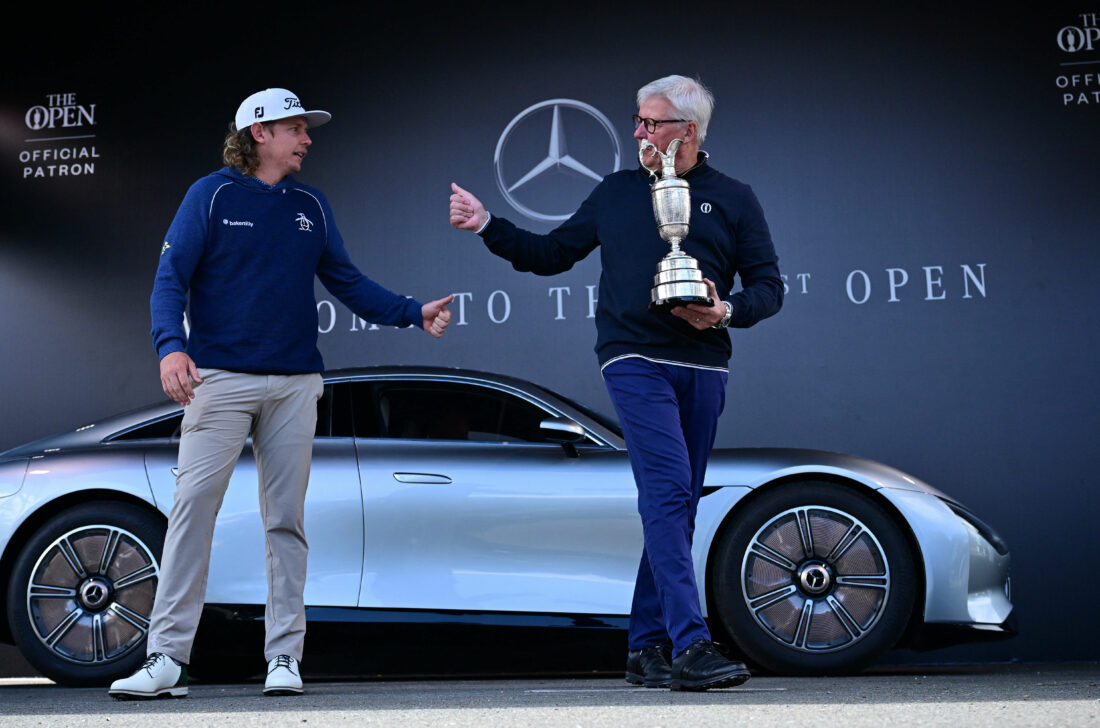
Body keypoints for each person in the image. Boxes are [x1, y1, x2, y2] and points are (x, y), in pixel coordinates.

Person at [109, 88, 454, 700]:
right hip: (218, 381)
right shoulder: (209, 195)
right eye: (297, 127)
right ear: (260, 133)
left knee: (286, 523)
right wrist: (170, 346)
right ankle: (165, 658)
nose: (308, 139)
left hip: (296, 384)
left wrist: (410, 312)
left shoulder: (311, 205)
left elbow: (347, 281)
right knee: (192, 514)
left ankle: (284, 659)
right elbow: (170, 279)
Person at [449, 75, 782, 691]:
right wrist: (486, 223)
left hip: (705, 363)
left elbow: (769, 287)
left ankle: (644, 646)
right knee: (666, 493)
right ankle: (691, 644)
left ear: (688, 131)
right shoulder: (616, 192)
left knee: (677, 504)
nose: (637, 132)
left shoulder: (733, 197)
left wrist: (726, 309)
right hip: (632, 358)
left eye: (650, 123)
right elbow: (549, 254)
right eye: (637, 120)